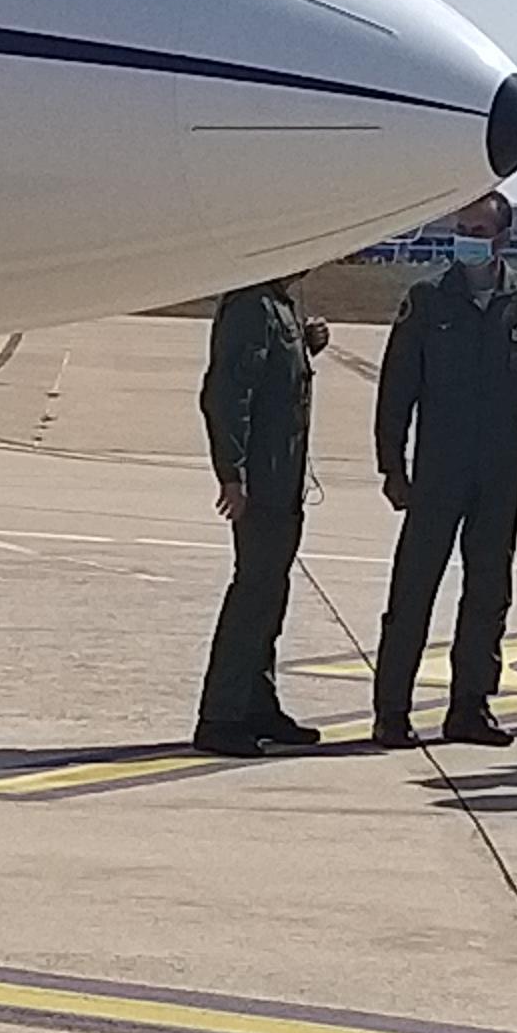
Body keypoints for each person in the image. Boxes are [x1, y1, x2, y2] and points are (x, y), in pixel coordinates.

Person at [370, 192, 517, 748]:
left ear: (503, 238)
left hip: (501, 471)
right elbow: (397, 388)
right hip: (437, 470)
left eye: (478, 228)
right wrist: (392, 465)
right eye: (462, 227)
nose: (467, 238)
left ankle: (471, 707)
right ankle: (391, 711)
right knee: (413, 589)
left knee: (488, 592)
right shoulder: (428, 299)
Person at [191, 275, 329, 756]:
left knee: (271, 594)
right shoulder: (251, 307)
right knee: (253, 593)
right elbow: (228, 395)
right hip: (261, 483)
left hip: (283, 480)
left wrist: (305, 349)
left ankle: (256, 702)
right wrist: (232, 472)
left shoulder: (280, 305)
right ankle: (221, 715)